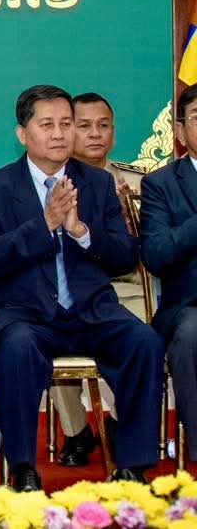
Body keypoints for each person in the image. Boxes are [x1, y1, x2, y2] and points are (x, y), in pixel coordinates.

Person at [0, 84, 163, 489]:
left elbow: (125, 257)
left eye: (66, 124)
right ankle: (23, 466)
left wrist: (81, 232)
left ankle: (133, 466)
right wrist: (45, 225)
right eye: (47, 125)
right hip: (23, 313)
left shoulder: (97, 184)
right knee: (18, 347)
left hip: (91, 310)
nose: (59, 134)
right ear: (23, 133)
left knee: (144, 341)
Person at [50, 92, 148, 466]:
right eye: (84, 125)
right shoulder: (52, 181)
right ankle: (76, 431)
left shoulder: (139, 181)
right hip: (74, 286)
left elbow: (148, 251)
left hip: (129, 286)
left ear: (114, 132)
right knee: (48, 322)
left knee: (136, 332)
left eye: (103, 126)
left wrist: (129, 219)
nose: (95, 134)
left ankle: (123, 424)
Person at [140, 82, 197, 463]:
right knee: (193, 332)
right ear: (179, 131)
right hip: (187, 306)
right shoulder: (160, 184)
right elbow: (157, 255)